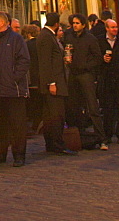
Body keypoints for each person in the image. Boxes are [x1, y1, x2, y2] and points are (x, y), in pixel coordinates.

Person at [0, 10, 30, 167]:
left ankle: (19, 155)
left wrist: (13, 78)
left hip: (13, 89)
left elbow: (24, 61)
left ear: (3, 22)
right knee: (0, 124)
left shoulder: (16, 39)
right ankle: (0, 153)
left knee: (17, 124)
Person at [36, 11, 76, 156]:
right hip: (54, 83)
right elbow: (46, 62)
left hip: (54, 82)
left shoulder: (46, 36)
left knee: (51, 115)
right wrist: (51, 82)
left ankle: (52, 143)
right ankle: (57, 144)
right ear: (57, 24)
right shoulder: (47, 37)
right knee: (56, 115)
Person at [67, 13, 106, 149]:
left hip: (86, 74)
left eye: (77, 23)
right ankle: (80, 136)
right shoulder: (69, 36)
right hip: (73, 74)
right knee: (75, 105)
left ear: (83, 25)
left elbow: (97, 57)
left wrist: (86, 66)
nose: (75, 25)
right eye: (73, 23)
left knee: (92, 105)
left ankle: (101, 138)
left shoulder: (90, 38)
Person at [97, 19, 119, 145]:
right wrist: (102, 59)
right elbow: (95, 58)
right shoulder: (100, 41)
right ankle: (108, 134)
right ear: (107, 28)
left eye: (116, 27)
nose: (115, 29)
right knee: (107, 108)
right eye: (112, 27)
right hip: (106, 79)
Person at [21, 23, 41, 134]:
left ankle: (33, 122)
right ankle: (38, 122)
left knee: (32, 101)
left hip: (30, 75)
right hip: (39, 74)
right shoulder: (39, 44)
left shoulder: (26, 45)